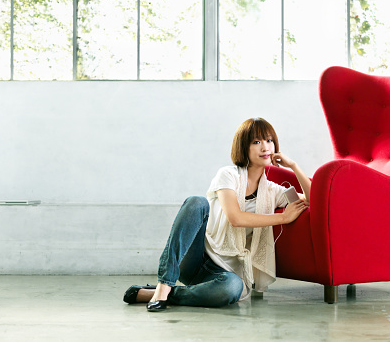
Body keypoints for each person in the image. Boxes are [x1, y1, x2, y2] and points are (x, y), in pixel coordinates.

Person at [123, 117, 311, 311]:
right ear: (243, 146)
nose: (265, 147)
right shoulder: (228, 175)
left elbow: (315, 200)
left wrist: (294, 166)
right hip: (197, 257)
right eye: (257, 142)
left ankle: (155, 294)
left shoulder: (274, 191)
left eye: (269, 140)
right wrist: (282, 218)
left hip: (224, 272)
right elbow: (235, 218)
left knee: (232, 289)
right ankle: (164, 285)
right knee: (197, 202)